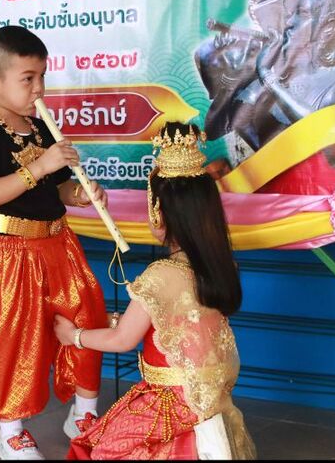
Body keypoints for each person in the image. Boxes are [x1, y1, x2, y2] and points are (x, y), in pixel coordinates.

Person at [54, 122, 257, 460]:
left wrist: (73, 336)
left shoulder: (161, 274)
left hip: (171, 403)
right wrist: (113, 320)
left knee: (99, 449)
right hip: (212, 402)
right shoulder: (221, 266)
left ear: (158, 212)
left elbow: (122, 340)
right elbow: (177, 322)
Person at [0, 25, 109, 460]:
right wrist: (40, 166)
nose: (39, 88)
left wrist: (79, 193)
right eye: (28, 78)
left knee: (87, 316)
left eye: (42, 76)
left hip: (59, 245)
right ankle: (11, 432)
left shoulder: (41, 127)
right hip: (10, 255)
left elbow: (56, 190)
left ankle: (83, 412)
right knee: (14, 339)